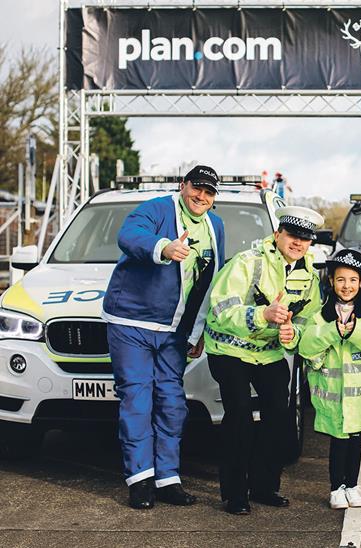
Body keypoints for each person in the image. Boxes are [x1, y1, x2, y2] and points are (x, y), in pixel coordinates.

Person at [102, 165, 226, 510]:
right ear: (183, 185)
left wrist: (198, 329)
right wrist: (163, 247)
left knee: (172, 404)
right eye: (196, 188)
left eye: (209, 192)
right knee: (138, 400)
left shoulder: (216, 226)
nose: (201, 197)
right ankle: (140, 480)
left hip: (175, 331)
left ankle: (168, 478)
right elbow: (129, 235)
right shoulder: (157, 208)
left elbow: (210, 281)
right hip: (132, 323)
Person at [205, 206, 323, 515]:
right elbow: (220, 309)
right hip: (229, 350)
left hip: (267, 353)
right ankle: (235, 494)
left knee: (279, 415)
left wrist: (292, 333)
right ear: (277, 235)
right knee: (240, 415)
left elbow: (310, 319)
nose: (298, 243)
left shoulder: (308, 273)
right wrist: (262, 314)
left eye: (305, 239)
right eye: (292, 236)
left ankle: (264, 486)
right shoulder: (247, 262)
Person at [298, 249, 361, 510]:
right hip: (332, 393)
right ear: (331, 282)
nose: (346, 286)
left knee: (357, 440)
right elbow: (307, 347)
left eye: (352, 280)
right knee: (338, 442)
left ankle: (352, 485)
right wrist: (333, 330)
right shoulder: (319, 314)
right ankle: (336, 487)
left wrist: (355, 331)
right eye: (340, 280)